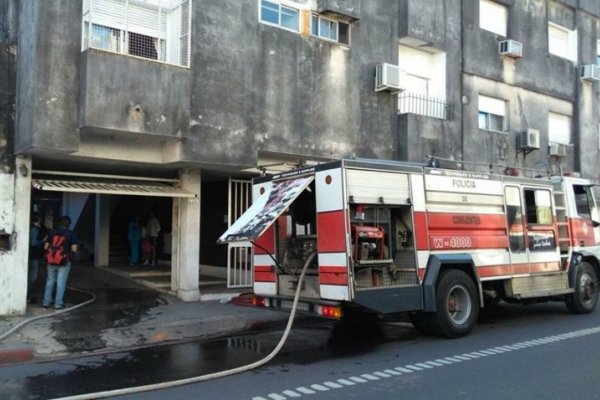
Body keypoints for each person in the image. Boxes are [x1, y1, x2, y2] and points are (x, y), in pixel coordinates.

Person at [42, 216, 77, 310]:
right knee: (60, 283)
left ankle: (46, 302)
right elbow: (74, 249)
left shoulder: (51, 233)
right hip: (63, 262)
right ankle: (58, 304)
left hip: (50, 261)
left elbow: (45, 247)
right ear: (68, 224)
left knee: (50, 281)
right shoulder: (70, 234)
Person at [27, 212, 46, 304]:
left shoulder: (29, 227)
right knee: (32, 277)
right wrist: (43, 240)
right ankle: (29, 297)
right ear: (38, 219)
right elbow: (34, 243)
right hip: (33, 256)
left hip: (29, 255)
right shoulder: (34, 230)